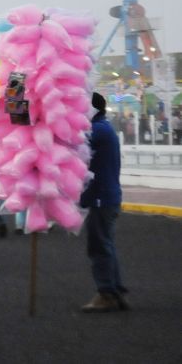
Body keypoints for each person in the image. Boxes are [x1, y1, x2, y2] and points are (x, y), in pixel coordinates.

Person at [81, 93, 128, 312]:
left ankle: (106, 293)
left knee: (99, 246)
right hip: (108, 197)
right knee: (106, 245)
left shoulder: (97, 130)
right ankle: (114, 289)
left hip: (102, 198)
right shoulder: (103, 128)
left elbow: (71, 144)